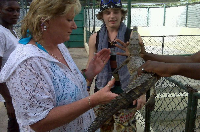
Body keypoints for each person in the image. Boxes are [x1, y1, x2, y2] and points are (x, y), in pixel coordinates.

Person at [0, 0, 119, 131]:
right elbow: (39, 123)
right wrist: (93, 101)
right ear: (46, 21)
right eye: (69, 20)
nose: (75, 26)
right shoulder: (27, 63)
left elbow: (61, 85)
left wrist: (87, 74)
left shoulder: (59, 46)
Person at [86, 0, 146, 131]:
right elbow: (90, 65)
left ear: (122, 14)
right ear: (102, 15)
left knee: (125, 129)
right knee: (104, 127)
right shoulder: (94, 38)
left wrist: (141, 93)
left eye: (116, 12)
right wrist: (86, 87)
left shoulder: (132, 36)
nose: (112, 16)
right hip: (102, 91)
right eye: (107, 12)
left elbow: (142, 67)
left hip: (127, 93)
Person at [0, 0, 20, 131]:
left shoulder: (11, 31)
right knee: (15, 125)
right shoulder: (0, 33)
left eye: (18, 10)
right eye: (10, 10)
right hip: (9, 93)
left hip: (16, 90)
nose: (16, 14)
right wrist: (9, 100)